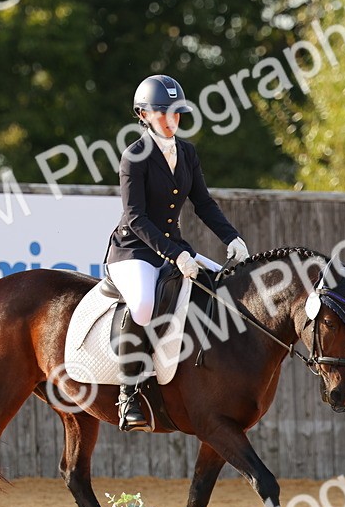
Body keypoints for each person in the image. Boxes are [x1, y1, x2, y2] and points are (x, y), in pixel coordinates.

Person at [104, 74, 250, 431]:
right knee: (142, 304)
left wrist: (232, 237)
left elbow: (203, 202)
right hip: (134, 251)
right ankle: (128, 395)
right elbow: (136, 218)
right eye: (163, 113)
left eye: (177, 113)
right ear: (143, 114)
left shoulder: (187, 153)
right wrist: (176, 254)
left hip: (173, 248)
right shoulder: (134, 156)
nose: (172, 119)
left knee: (221, 286)